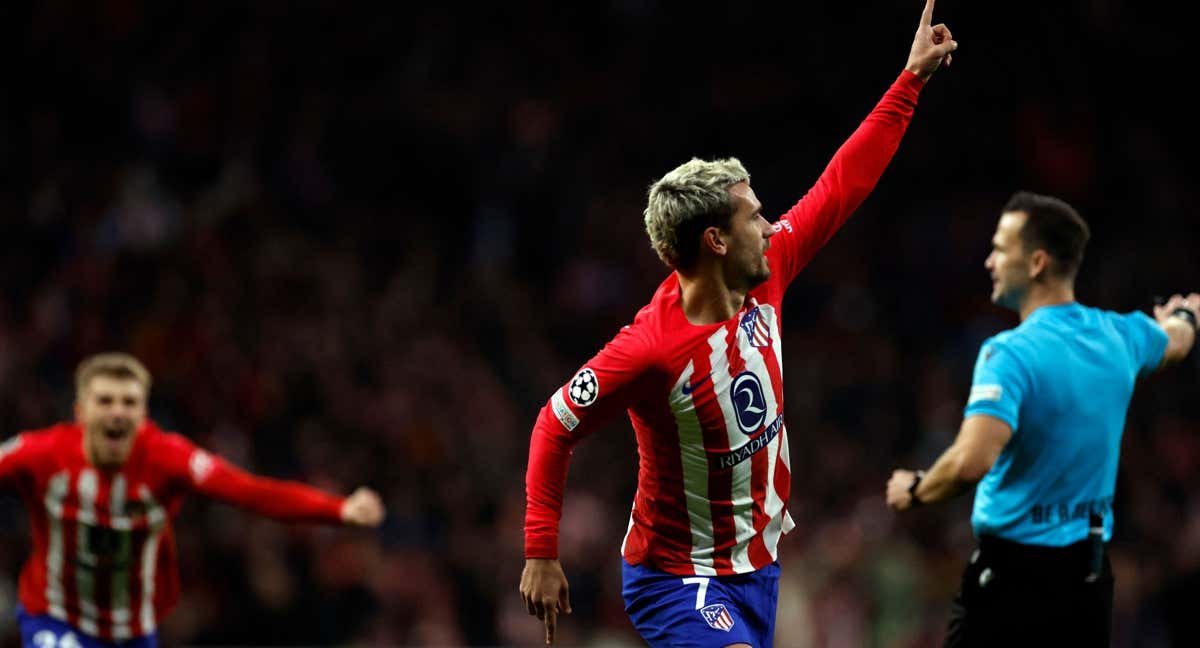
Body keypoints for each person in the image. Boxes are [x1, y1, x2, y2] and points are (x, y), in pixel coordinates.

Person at [518, 1, 958, 644]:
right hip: (677, 579)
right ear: (717, 242)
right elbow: (554, 425)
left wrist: (910, 79)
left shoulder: (770, 266)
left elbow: (841, 186)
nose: (769, 223)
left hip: (758, 567)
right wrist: (540, 551)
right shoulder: (649, 349)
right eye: (753, 215)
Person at [885, 191, 1198, 646]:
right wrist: (1186, 315)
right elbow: (1176, 341)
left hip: (1012, 586)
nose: (989, 261)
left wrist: (915, 490)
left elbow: (972, 461)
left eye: (999, 248)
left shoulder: (1009, 355)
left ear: (1036, 263)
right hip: (1088, 585)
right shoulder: (1119, 335)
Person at [0, 352, 386, 648]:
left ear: (143, 412)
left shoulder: (170, 460)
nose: (117, 412)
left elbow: (250, 492)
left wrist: (337, 509)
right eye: (105, 401)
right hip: (54, 615)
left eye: (129, 402)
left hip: (130, 631)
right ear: (81, 412)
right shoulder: (40, 453)